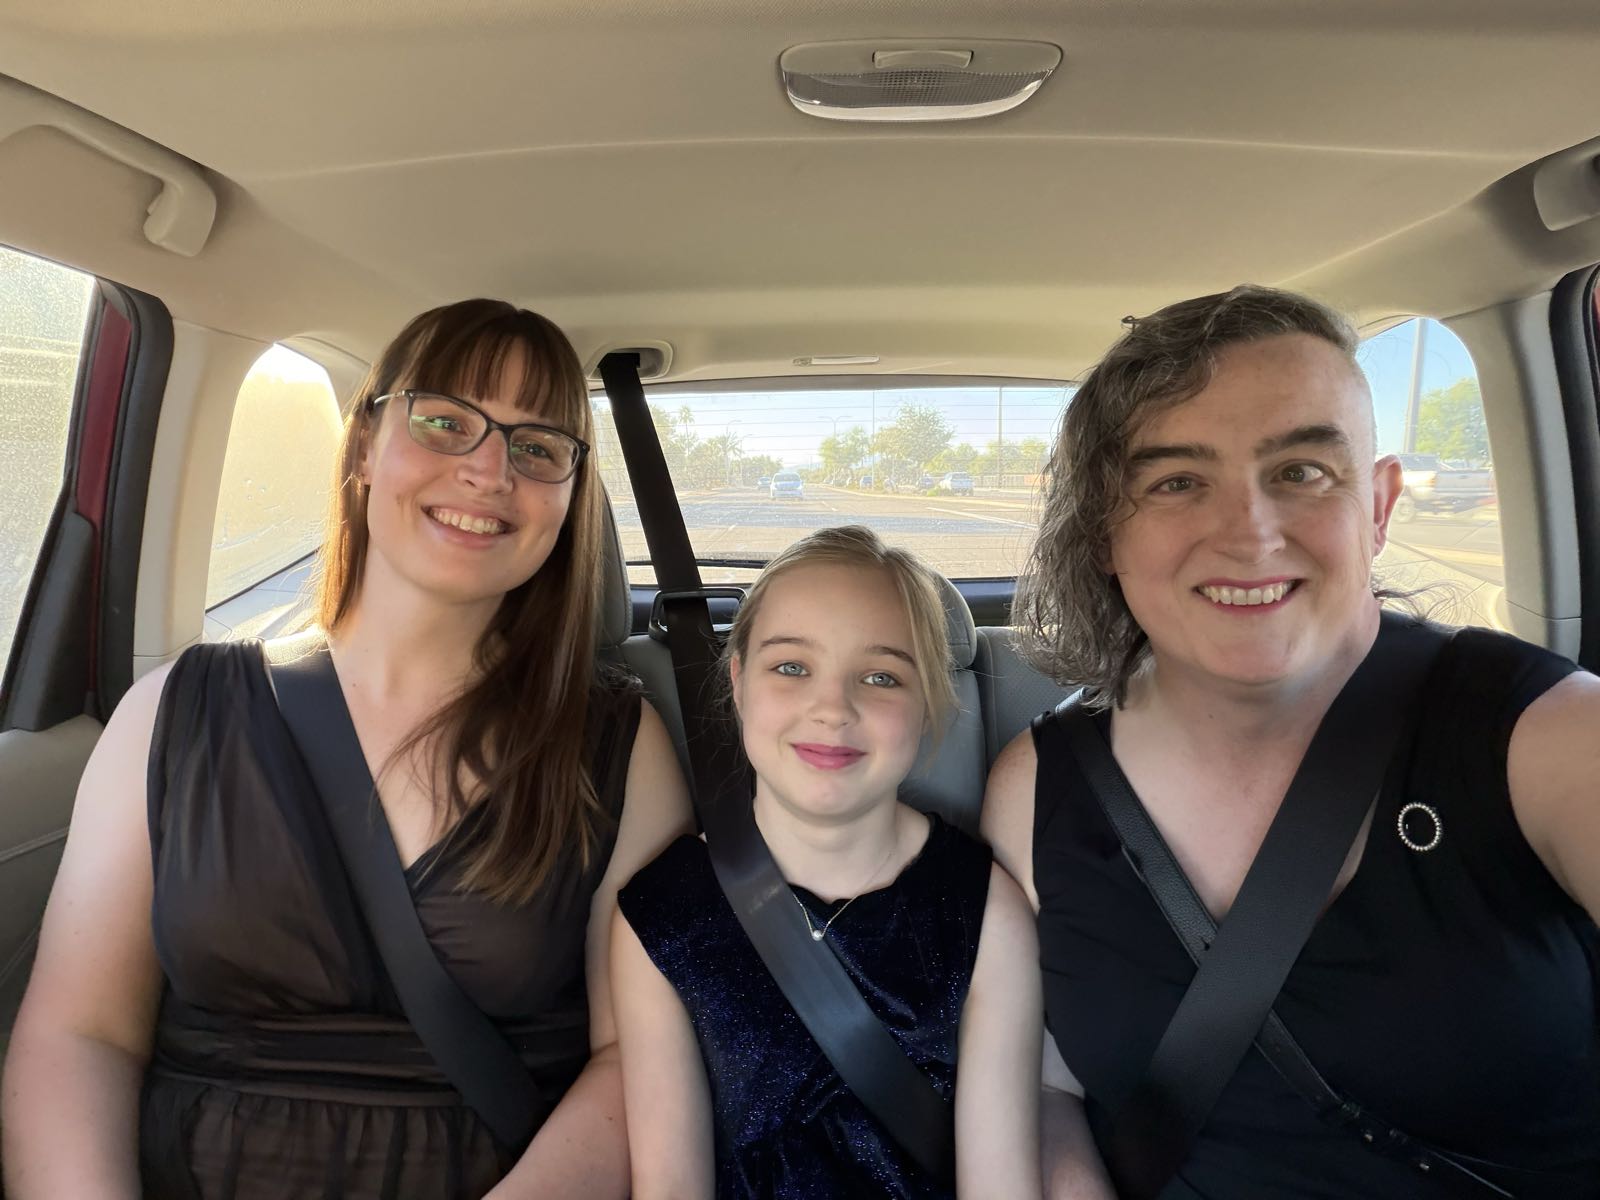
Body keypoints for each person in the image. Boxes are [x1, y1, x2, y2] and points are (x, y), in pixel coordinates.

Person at [1, 299, 691, 1199]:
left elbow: (634, 1059)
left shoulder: (617, 745)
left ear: (568, 498)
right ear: (365, 445)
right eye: (446, 422)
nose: (490, 468)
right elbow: (78, 1032)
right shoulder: (175, 711)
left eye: (538, 446)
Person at [983, 284, 1600, 1198]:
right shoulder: (1038, 785)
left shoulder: (1548, 740)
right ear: (1106, 531)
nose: (1249, 533)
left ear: (1380, 505)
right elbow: (1045, 1084)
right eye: (1177, 481)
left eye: (1301, 471)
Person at [611, 525, 1042, 1199]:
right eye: (791, 667)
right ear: (738, 678)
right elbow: (670, 1184)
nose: (832, 708)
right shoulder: (662, 916)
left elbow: (1003, 1183)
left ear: (928, 703)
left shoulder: (985, 914)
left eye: (880, 677)